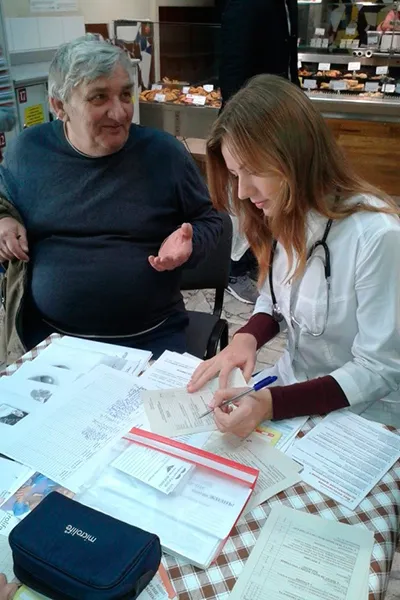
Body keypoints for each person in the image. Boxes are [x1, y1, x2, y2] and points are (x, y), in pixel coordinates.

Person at [188, 74, 400, 437]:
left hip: (363, 413)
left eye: (253, 171)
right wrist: (248, 337)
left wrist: (272, 404)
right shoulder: (281, 209)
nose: (243, 192)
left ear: (297, 156)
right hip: (293, 388)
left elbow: (378, 369)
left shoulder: (377, 236)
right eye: (236, 174)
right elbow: (275, 296)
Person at [0, 35, 222, 365]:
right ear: (59, 107)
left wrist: (192, 244)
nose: (119, 113)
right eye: (99, 97)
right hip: (49, 340)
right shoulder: (28, 152)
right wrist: (3, 220)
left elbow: (211, 221)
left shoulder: (164, 155)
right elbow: (3, 201)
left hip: (149, 337)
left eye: (125, 95)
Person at [217, 0, 299, 304]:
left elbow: (288, 60)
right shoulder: (244, 4)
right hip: (248, 119)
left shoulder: (287, 3)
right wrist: (239, 125)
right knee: (242, 196)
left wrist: (296, 102)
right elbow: (232, 65)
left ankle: (263, 259)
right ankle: (235, 269)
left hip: (279, 115)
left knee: (270, 194)